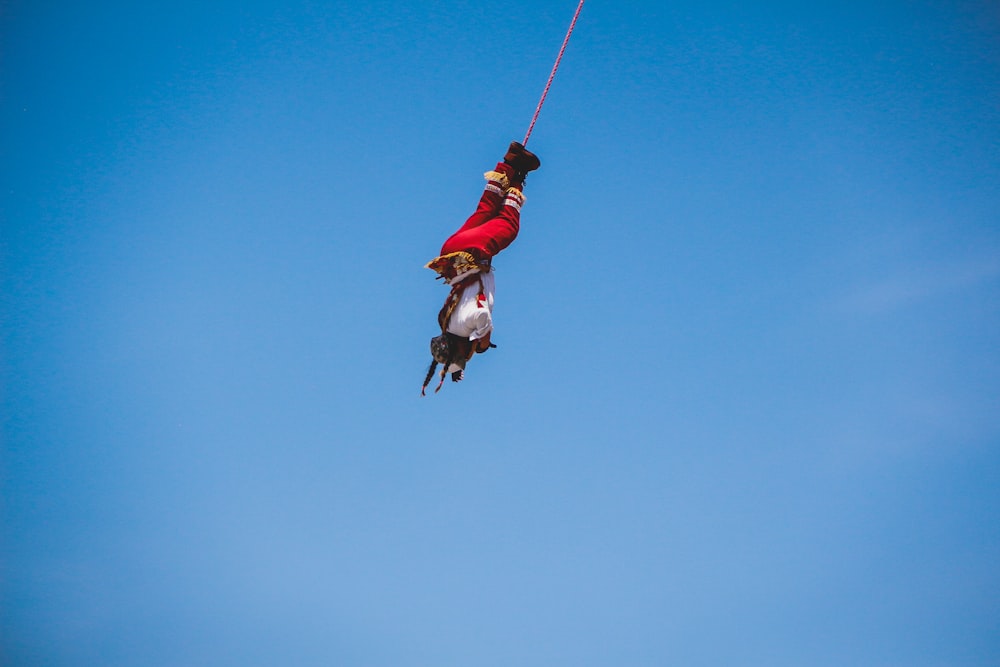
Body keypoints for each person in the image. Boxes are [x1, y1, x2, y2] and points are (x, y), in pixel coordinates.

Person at [421, 141, 541, 395]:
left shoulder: (467, 325)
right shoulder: (447, 323)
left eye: (467, 355)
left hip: (472, 252)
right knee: (486, 210)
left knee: (508, 227)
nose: (471, 355)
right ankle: (509, 163)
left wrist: (484, 341)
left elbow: (482, 318)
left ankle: (519, 175)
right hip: (452, 250)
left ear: (459, 348)